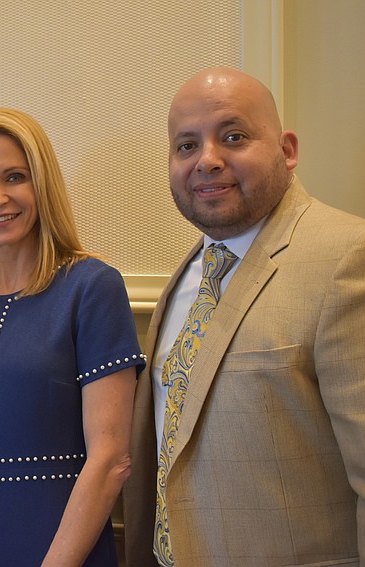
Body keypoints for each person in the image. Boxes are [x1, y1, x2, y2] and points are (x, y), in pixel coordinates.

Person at [123, 67, 365, 566]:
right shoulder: (191, 271)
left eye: (233, 137)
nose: (207, 160)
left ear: (287, 150)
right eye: (186, 146)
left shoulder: (347, 258)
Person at [0, 108, 145, 566]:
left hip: (57, 546)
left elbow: (110, 459)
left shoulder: (91, 287)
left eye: (14, 177)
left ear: (43, 185)